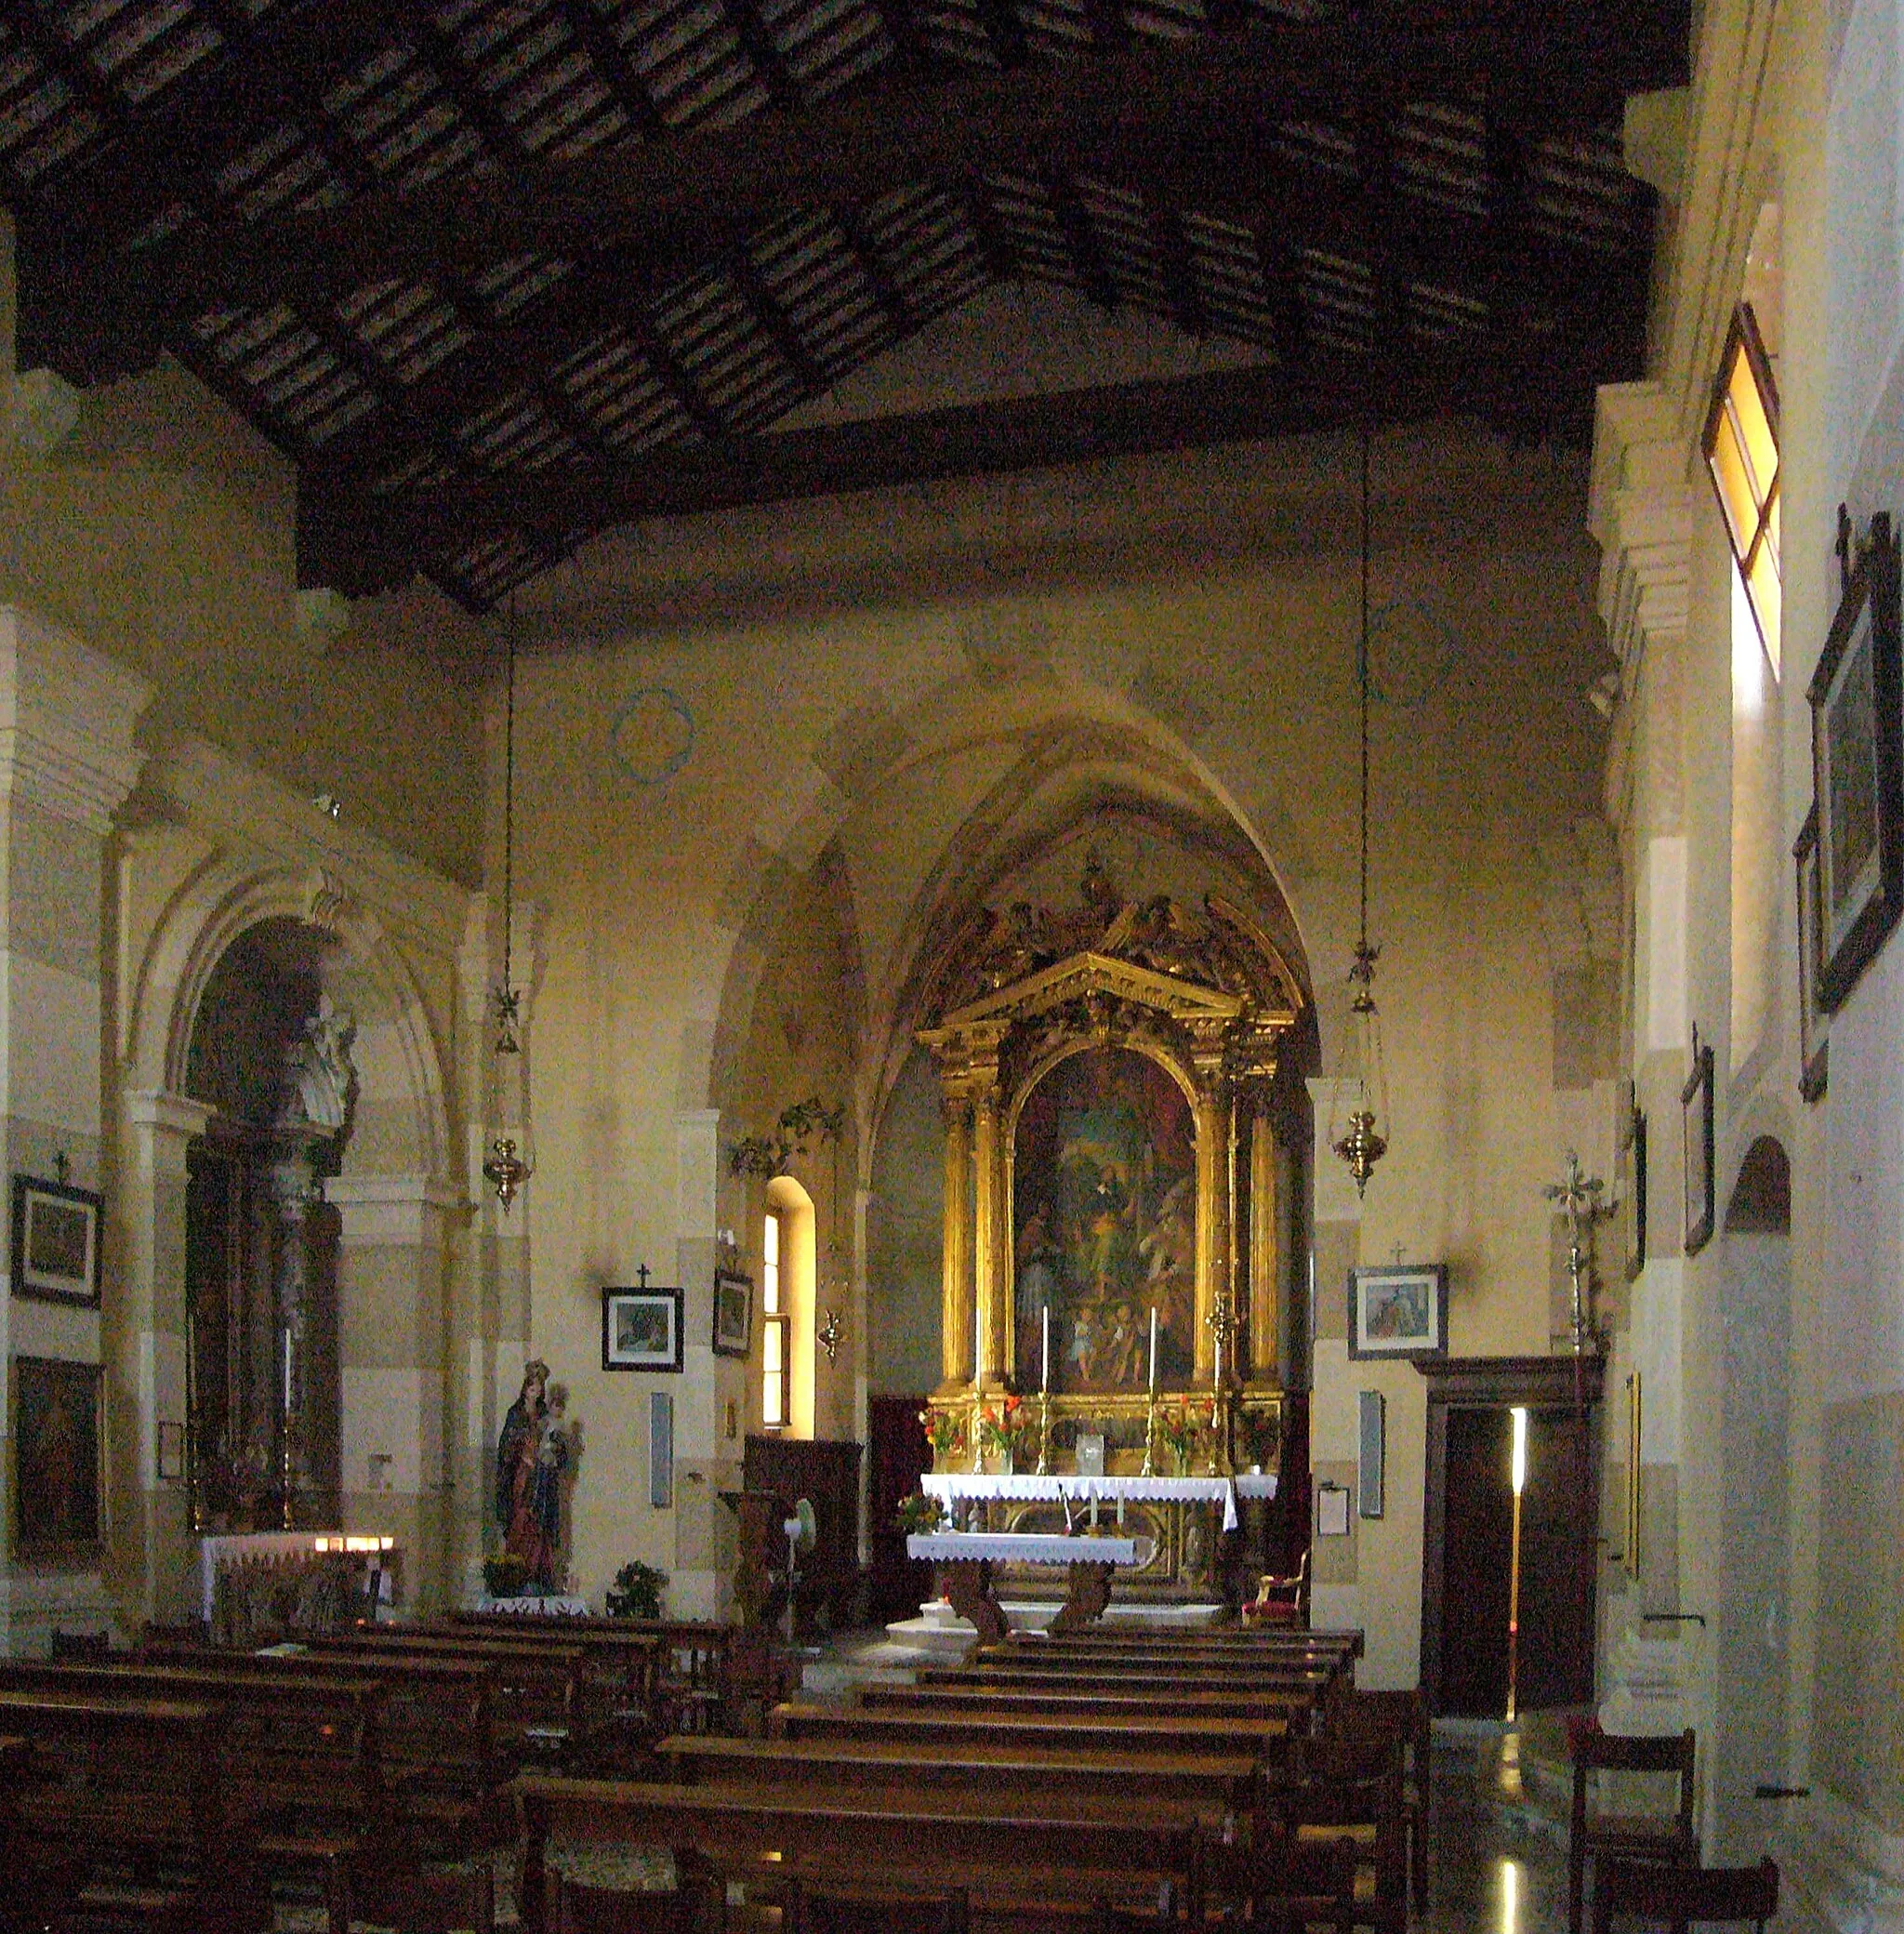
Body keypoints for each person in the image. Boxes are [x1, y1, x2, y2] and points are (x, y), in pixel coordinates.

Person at [496, 1359, 568, 1591]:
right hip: (522, 1476)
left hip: (541, 1478)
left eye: (539, 1390)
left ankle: (538, 1570)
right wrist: (522, 1450)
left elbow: (559, 1446)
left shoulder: (546, 1415)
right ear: (525, 1388)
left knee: (539, 1525)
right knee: (522, 1518)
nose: (535, 1393)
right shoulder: (515, 1414)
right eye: (532, 1388)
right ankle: (517, 1569)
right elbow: (506, 1447)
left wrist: (553, 1449)